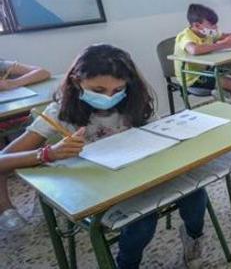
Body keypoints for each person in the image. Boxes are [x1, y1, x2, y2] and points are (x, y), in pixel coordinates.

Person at [0, 44, 208, 268]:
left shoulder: (132, 102)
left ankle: (194, 238)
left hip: (140, 177)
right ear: (76, 81)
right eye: (98, 90)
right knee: (141, 222)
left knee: (196, 191)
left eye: (118, 90)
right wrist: (49, 153)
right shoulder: (60, 112)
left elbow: (157, 134)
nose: (110, 97)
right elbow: (4, 160)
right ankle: (126, 264)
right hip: (97, 189)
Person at [0, 59, 51, 230]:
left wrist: (12, 83)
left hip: (16, 117)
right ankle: (5, 208)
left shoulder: (2, 64)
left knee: (43, 135)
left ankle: (46, 197)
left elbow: (43, 71)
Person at [174, 3, 231, 102]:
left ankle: (224, 93)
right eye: (212, 25)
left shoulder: (207, 32)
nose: (215, 27)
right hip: (193, 78)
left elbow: (223, 36)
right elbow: (194, 50)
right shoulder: (185, 36)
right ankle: (228, 99)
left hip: (208, 69)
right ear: (197, 25)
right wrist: (225, 44)